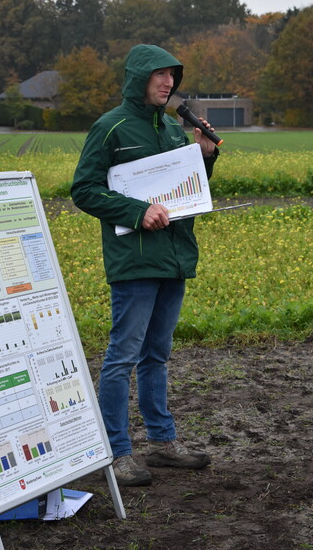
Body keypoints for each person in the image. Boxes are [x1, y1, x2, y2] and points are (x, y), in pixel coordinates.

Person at [71, 44, 219, 486]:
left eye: (172, 76)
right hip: (134, 262)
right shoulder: (110, 127)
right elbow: (85, 190)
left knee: (158, 354)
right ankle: (115, 452)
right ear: (139, 78)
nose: (168, 83)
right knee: (122, 356)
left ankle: (162, 442)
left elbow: (187, 192)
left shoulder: (176, 131)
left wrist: (206, 156)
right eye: (159, 75)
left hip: (173, 257)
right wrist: (137, 212)